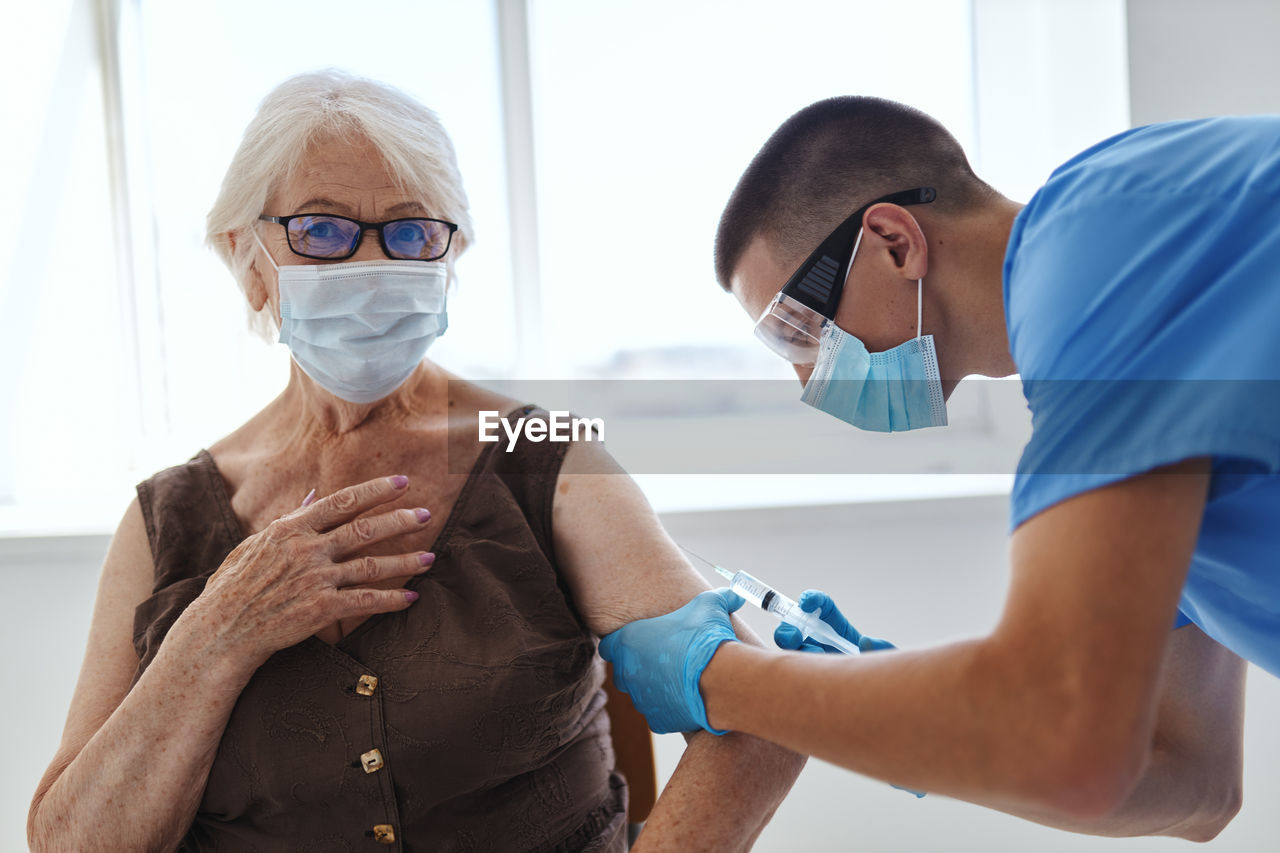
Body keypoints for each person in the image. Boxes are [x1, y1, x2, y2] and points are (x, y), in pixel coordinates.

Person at [26, 70, 803, 852]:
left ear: (449, 254)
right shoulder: (166, 519)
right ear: (248, 258)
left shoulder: (546, 458)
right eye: (322, 229)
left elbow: (770, 719)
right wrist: (216, 632)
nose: (371, 263)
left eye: (409, 231)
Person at [600, 96, 1280, 842]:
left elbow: (1075, 741)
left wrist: (722, 681)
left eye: (798, 328)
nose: (804, 379)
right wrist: (901, 728)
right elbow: (1191, 782)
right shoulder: (1136, 420)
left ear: (895, 242)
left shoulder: (1103, 247)